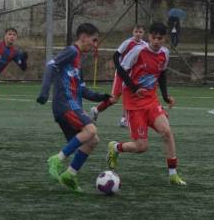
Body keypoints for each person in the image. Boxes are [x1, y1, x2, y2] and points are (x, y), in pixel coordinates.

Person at [106, 22, 186, 186]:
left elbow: (162, 74)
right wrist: (135, 88)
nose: (156, 41)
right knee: (141, 147)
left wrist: (165, 97)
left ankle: (173, 174)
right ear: (149, 37)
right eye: (153, 37)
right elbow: (121, 70)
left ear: (165, 39)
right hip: (133, 102)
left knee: (166, 132)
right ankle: (116, 147)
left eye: (160, 38)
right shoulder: (138, 51)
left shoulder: (165, 53)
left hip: (151, 100)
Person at [36, 23, 111, 192]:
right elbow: (51, 66)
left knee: (92, 140)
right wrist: (45, 91)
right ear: (83, 37)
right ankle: (56, 159)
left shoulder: (78, 62)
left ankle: (70, 174)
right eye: (94, 40)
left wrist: (102, 97)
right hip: (66, 104)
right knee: (91, 130)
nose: (95, 44)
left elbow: (83, 90)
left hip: (72, 105)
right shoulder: (71, 51)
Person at [90, 24, 147, 127]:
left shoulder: (145, 45)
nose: (138, 34)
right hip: (122, 74)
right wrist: (119, 69)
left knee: (131, 95)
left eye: (140, 32)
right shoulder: (128, 43)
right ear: (133, 33)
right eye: (136, 32)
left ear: (143, 33)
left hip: (132, 76)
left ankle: (124, 119)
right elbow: (116, 55)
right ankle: (96, 110)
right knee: (114, 99)